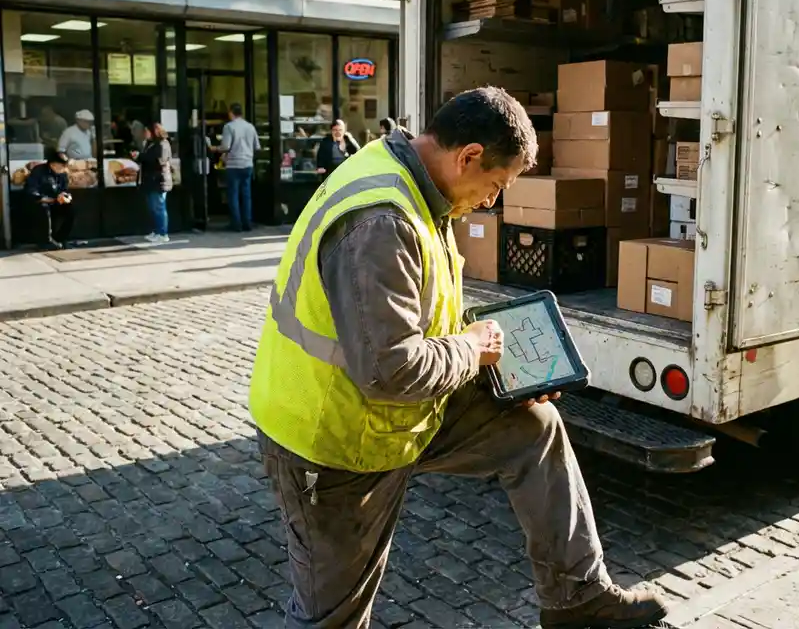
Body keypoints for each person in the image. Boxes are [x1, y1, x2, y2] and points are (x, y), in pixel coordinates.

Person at [249, 86, 669, 629]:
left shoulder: (418, 186)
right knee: (333, 618)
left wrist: (500, 370)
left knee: (534, 428)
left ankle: (578, 598)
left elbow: (417, 322)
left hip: (389, 416)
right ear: (468, 155)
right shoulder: (383, 222)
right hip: (331, 442)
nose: (493, 201)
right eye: (495, 185)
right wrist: (472, 349)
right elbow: (391, 370)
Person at [212, 102, 260, 232]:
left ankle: (236, 223)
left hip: (234, 164)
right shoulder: (250, 127)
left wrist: (215, 148)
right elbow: (257, 146)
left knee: (233, 194)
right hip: (247, 164)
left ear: (231, 112)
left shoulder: (229, 127)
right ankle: (247, 222)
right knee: (246, 195)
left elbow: (226, 146)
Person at [24, 148, 75, 249]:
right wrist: (52, 200)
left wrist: (66, 197)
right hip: (39, 203)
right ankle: (46, 241)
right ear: (52, 164)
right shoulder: (39, 171)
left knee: (72, 209)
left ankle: (60, 238)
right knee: (43, 207)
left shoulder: (63, 174)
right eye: (62, 165)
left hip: (55, 202)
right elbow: (31, 192)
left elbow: (65, 189)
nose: (64, 168)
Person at [137, 123, 173, 244]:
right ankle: (156, 231)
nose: (145, 134)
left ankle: (163, 233)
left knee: (159, 207)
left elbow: (160, 160)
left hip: (159, 180)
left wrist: (142, 157)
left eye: (147, 131)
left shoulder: (163, 144)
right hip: (150, 180)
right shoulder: (150, 143)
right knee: (152, 208)